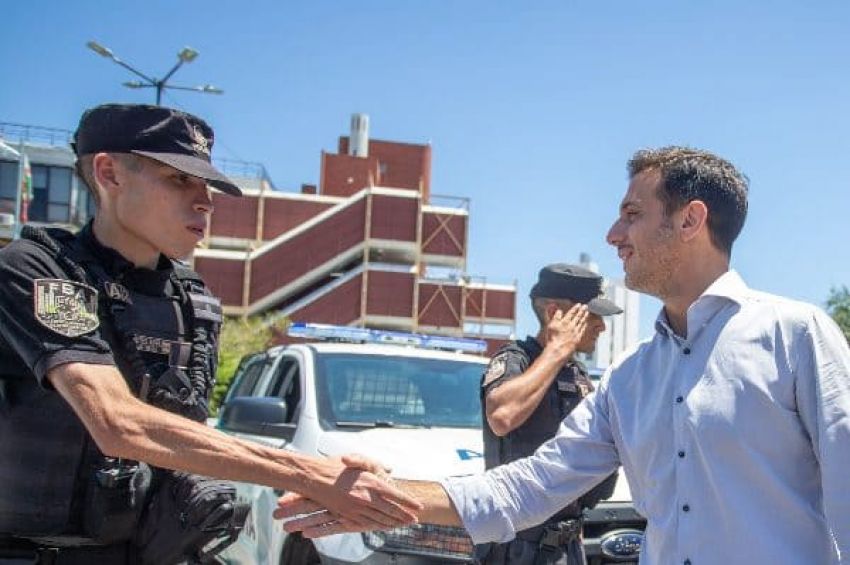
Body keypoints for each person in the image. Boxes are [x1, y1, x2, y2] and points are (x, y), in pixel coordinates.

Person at [276, 146, 850, 565]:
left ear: (690, 220)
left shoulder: (794, 334)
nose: (612, 234)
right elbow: (529, 486)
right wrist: (393, 496)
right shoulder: (629, 378)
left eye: (632, 213)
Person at [0, 103, 421, 564]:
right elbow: (116, 423)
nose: (204, 200)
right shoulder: (41, 270)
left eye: (206, 184)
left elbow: (188, 439)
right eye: (179, 179)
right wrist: (312, 474)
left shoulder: (194, 300)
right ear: (109, 173)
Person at [475, 263, 621, 565]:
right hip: (517, 546)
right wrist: (556, 350)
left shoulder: (576, 372)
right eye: (591, 314)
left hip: (567, 544)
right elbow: (501, 417)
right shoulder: (515, 359)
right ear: (554, 312)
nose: (601, 326)